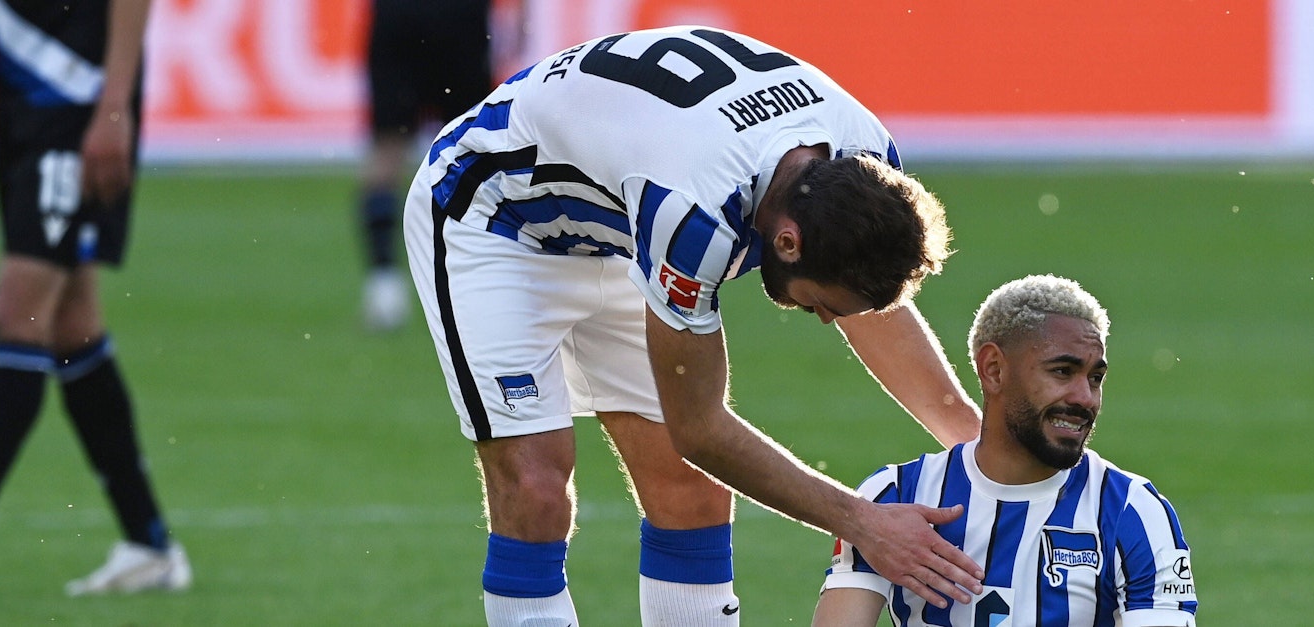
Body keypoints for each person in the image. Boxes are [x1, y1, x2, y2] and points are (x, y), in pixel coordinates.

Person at [404, 26, 985, 626]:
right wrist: (863, 523)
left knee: (692, 493)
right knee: (536, 488)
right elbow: (700, 429)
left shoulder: (867, 164)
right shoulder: (694, 213)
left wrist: (976, 446)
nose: (826, 319)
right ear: (786, 240)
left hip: (616, 220)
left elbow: (871, 311)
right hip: (494, 216)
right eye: (824, 303)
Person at [0, 0, 189, 598]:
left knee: (18, 312)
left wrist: (114, 104)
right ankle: (149, 545)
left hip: (80, 101)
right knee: (71, 324)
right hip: (21, 102)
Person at [813, 275, 1200, 627]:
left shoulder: (1133, 512)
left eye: (1095, 378)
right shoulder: (894, 499)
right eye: (1062, 372)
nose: (1085, 398)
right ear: (994, 369)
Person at [356, 0, 510, 331]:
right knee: (475, 151)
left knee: (388, 149)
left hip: (400, 15)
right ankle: (487, 281)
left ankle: (384, 283)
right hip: (457, 18)